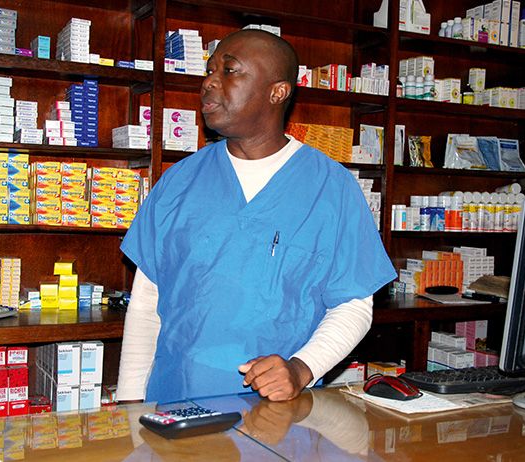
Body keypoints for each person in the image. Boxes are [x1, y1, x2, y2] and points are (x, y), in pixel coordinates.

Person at [117, 29, 396, 404]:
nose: (209, 82)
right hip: (176, 402)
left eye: (229, 71)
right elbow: (146, 303)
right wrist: (130, 403)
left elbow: (353, 306)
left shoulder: (331, 188)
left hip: (276, 413)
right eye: (210, 70)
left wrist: (301, 369)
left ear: (277, 92)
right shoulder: (178, 182)